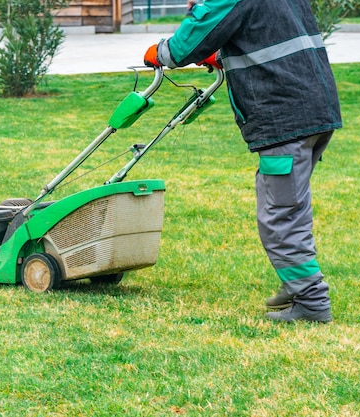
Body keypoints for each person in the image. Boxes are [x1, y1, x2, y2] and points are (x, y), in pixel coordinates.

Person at [143, 0, 342, 323]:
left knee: (279, 217)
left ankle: (311, 301)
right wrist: (220, 54)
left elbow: (186, 43)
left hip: (285, 119)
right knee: (292, 208)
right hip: (315, 112)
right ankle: (297, 284)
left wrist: (160, 52)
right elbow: (264, 33)